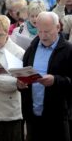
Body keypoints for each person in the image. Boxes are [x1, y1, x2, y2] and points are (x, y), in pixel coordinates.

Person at [20, 11, 72, 141]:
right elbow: (23, 72)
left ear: (58, 27)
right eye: (40, 31)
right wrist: (20, 83)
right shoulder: (31, 48)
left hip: (58, 117)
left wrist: (55, 80)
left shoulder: (68, 50)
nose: (43, 36)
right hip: (33, 116)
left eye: (47, 31)